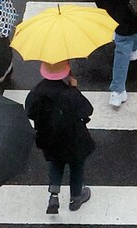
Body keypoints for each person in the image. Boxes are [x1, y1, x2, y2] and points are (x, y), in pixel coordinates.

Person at [25, 61, 95, 214]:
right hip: (73, 138)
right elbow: (87, 110)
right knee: (77, 165)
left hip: (48, 136)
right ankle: (76, 197)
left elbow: (29, 111)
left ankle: (54, 194)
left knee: (56, 162)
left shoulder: (37, 91)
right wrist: (75, 88)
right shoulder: (70, 93)